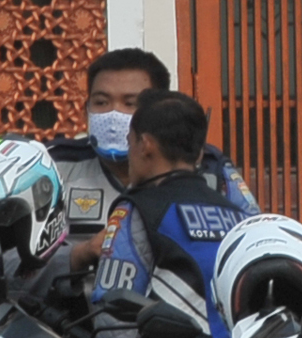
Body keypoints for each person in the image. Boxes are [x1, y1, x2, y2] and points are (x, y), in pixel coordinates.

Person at [89, 90, 253, 338]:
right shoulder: (237, 215)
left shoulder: (139, 209)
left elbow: (113, 315)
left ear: (145, 145)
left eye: (130, 142)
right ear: (200, 153)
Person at [51, 49, 257, 273]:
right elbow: (12, 265)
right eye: (101, 102)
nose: (113, 115)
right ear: (86, 110)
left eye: (130, 103)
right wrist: (80, 254)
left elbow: (255, 239)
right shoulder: (54, 167)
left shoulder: (210, 171)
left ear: (160, 110)